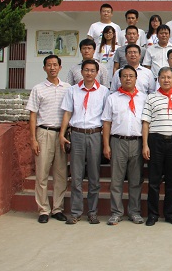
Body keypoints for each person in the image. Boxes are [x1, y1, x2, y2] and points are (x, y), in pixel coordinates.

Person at [59, 59, 109, 225]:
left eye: (92, 70)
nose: (89, 73)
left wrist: (105, 141)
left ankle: (92, 212)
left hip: (95, 135)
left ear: (97, 73)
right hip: (77, 134)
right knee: (76, 176)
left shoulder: (104, 91)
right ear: (81, 72)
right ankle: (76, 212)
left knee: (94, 176)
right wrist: (62, 133)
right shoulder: (73, 90)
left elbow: (106, 118)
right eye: (86, 70)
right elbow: (67, 113)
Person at [25, 55, 71, 224]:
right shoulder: (38, 89)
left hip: (62, 135)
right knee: (42, 174)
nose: (52, 68)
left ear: (60, 67)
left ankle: (57, 208)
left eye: (55, 65)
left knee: (61, 174)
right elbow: (33, 115)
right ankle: (43, 209)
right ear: (44, 68)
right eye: (49, 65)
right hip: (44, 133)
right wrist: (33, 139)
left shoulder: (68, 88)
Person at [102, 65, 147, 225]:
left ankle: (134, 211)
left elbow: (146, 123)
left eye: (131, 76)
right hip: (117, 141)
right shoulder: (113, 98)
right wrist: (106, 145)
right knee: (116, 180)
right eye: (125, 76)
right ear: (119, 79)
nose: (128, 78)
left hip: (137, 142)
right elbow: (107, 122)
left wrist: (145, 144)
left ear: (136, 79)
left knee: (136, 180)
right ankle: (116, 212)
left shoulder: (144, 98)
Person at [141, 67, 172, 226]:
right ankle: (152, 214)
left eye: (169, 77)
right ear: (158, 79)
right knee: (154, 180)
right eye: (163, 77)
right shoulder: (151, 97)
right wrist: (145, 145)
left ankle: (170, 214)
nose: (166, 80)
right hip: (156, 141)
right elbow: (145, 123)